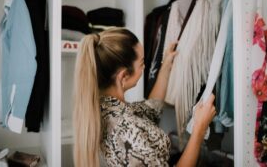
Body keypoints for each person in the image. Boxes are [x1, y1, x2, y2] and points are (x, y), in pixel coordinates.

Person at [73, 28, 216, 167]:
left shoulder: (105, 109)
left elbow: (151, 107)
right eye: (141, 63)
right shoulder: (129, 132)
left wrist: (165, 66)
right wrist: (200, 128)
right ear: (123, 76)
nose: (144, 67)